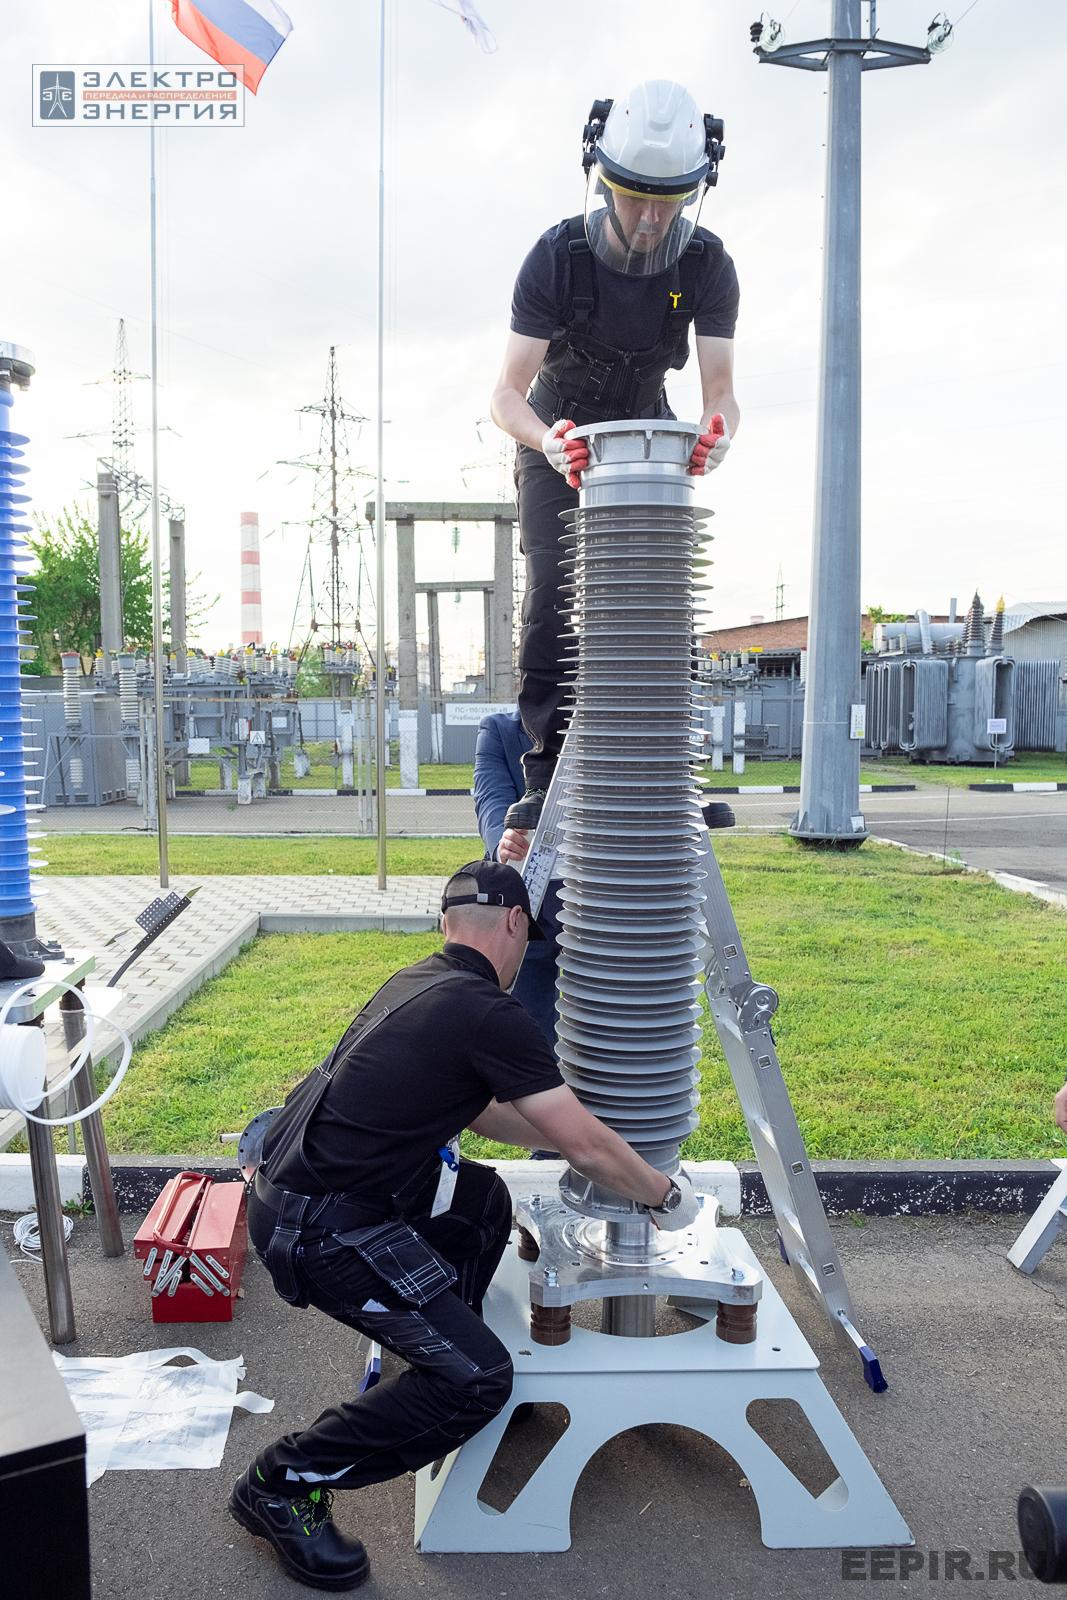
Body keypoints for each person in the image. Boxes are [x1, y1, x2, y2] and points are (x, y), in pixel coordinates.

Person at [230, 859, 700, 1591]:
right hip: (324, 1234)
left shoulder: (422, 981)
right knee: (481, 1381)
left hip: (303, 1196)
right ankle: (282, 1482)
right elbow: (580, 1141)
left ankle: (441, 1354)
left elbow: (481, 1110)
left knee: (478, 1199)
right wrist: (662, 1194)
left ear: (449, 923)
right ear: (515, 924)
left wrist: (582, 1142)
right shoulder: (488, 1011)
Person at [490, 78, 741, 832]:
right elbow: (504, 394)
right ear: (600, 179)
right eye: (632, 196)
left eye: (670, 200)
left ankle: (658, 761)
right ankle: (545, 772)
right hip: (556, 438)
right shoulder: (556, 256)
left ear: (697, 189)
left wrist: (714, 433)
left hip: (646, 436)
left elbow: (722, 390)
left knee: (658, 601)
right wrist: (547, 440)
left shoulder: (706, 266)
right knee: (555, 597)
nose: (649, 218)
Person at [472, 708, 560, 1048]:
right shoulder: (498, 729)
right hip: (525, 903)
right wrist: (503, 841)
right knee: (527, 1025)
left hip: (593, 902)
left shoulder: (599, 727)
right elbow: (490, 797)